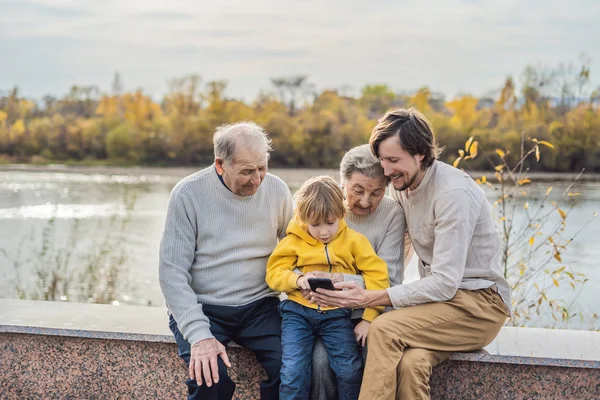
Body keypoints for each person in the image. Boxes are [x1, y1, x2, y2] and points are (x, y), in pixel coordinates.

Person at [309, 108, 511, 400]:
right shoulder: (404, 184)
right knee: (411, 363)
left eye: (393, 160)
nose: (387, 171)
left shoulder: (452, 195)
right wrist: (371, 282)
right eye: (383, 161)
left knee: (384, 330)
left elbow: (444, 282)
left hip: (478, 306)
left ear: (420, 154)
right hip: (441, 305)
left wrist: (372, 297)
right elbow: (398, 250)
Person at [159, 122, 294, 400]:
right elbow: (171, 272)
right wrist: (199, 335)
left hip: (261, 307)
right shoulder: (188, 194)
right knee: (210, 378)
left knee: (293, 370)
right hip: (204, 307)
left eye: (262, 168)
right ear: (220, 164)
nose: (257, 180)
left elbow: (298, 251)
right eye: (247, 171)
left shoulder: (278, 190)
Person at [266, 175, 390, 400]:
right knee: (293, 371)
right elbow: (274, 274)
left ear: (342, 213)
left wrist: (368, 318)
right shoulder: (292, 242)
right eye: (315, 225)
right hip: (297, 315)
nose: (324, 232)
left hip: (337, 316)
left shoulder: (355, 242)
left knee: (349, 369)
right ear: (302, 218)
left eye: (330, 223)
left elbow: (377, 277)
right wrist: (298, 279)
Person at [304, 144, 408, 400]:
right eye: (357, 190)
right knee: (318, 362)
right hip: (326, 312)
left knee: (371, 359)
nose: (365, 201)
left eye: (376, 193)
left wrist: (341, 280)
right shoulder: (322, 208)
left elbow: (390, 280)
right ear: (343, 184)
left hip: (372, 311)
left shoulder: (392, 213)